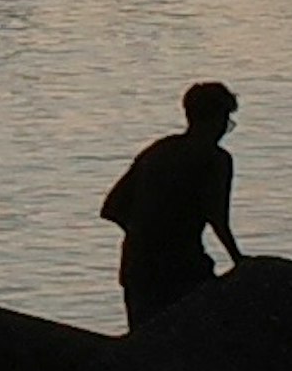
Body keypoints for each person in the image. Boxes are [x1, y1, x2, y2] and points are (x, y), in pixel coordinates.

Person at [102, 80, 242, 329]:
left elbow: (113, 207)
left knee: (145, 345)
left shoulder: (158, 151)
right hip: (182, 270)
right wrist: (239, 262)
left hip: (138, 268)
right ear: (217, 119)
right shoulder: (215, 160)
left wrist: (145, 235)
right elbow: (217, 218)